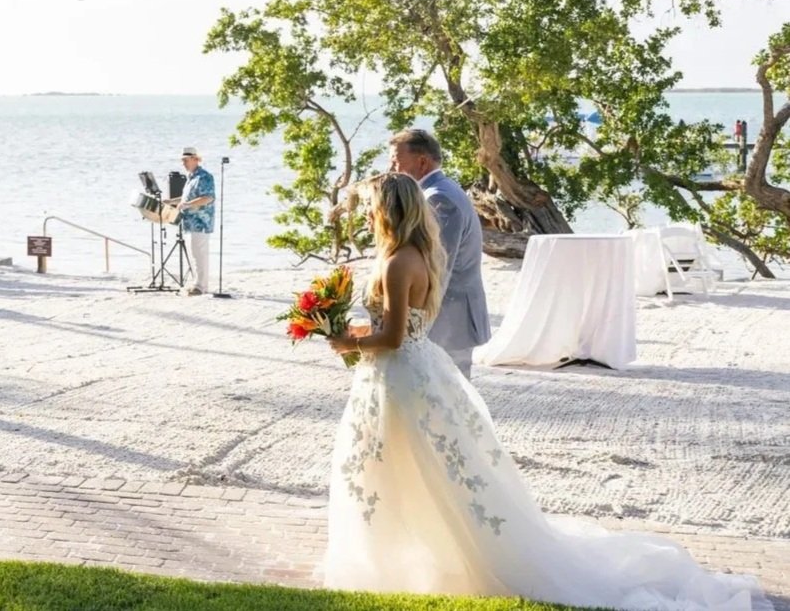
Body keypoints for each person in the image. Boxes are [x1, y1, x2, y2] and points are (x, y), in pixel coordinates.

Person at [324, 172, 766, 609]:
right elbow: (398, 327)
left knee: (411, 466)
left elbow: (396, 337)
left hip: (400, 372)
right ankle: (403, 557)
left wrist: (348, 342)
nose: (365, 213)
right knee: (402, 465)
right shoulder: (411, 253)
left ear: (388, 209)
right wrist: (356, 329)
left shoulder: (400, 261)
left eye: (370, 205)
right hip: (403, 372)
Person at [388, 128, 490, 379]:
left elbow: (437, 267)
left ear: (421, 161)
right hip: (450, 318)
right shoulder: (440, 190)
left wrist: (414, 328)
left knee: (451, 399)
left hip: (449, 320)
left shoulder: (439, 198)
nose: (391, 168)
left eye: (396, 161)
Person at [172, 146, 215, 295]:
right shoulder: (191, 178)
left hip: (200, 222)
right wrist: (170, 201)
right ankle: (197, 284)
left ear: (195, 159)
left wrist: (188, 205)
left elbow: (208, 197)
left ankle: (201, 286)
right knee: (194, 254)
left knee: (200, 254)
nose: (183, 163)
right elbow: (186, 199)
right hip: (189, 222)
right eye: (182, 160)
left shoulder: (204, 177)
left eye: (186, 160)